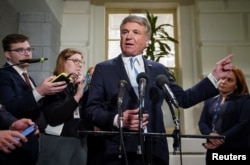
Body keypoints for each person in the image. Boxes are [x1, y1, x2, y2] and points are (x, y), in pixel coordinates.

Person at [85, 15, 233, 165]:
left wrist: (214, 77)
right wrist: (119, 120)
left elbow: (182, 99)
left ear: (147, 41)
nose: (129, 36)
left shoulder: (158, 69)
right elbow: (91, 110)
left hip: (154, 151)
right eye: (125, 32)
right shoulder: (104, 69)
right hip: (117, 151)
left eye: (136, 32)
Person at [0, 33, 67, 165]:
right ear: (7, 54)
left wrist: (52, 91)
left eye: (29, 49)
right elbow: (10, 107)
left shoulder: (27, 77)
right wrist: (39, 91)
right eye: (20, 50)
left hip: (30, 142)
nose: (27, 54)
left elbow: (33, 106)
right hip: (13, 147)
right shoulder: (3, 75)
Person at [37, 48, 88, 165]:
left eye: (81, 62)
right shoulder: (53, 84)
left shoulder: (75, 86)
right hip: (59, 140)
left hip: (79, 140)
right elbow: (55, 117)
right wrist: (78, 95)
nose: (79, 65)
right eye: (75, 61)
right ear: (62, 62)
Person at [198, 66, 250, 165]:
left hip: (235, 150)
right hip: (213, 149)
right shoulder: (210, 100)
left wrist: (221, 138)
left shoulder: (245, 100)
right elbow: (202, 122)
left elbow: (244, 124)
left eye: (229, 80)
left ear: (236, 85)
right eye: (222, 78)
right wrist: (210, 135)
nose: (223, 81)